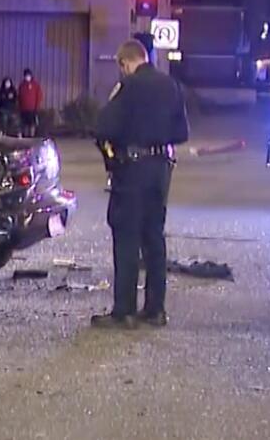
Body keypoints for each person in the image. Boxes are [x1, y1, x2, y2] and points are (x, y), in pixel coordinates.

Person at [92, 39, 189, 330]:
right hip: (161, 171)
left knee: (126, 237)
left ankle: (125, 311)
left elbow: (103, 127)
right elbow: (181, 132)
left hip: (133, 170)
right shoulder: (171, 85)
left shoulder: (128, 87)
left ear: (125, 64)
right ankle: (155, 309)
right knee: (154, 238)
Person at [17, 68, 44, 137]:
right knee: (25, 124)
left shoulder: (35, 84)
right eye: (26, 75)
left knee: (32, 124)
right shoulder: (22, 85)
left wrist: (37, 107)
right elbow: (19, 96)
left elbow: (39, 96)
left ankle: (32, 136)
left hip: (33, 109)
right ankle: (26, 137)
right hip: (24, 109)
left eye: (28, 75)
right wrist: (20, 107)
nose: (27, 76)